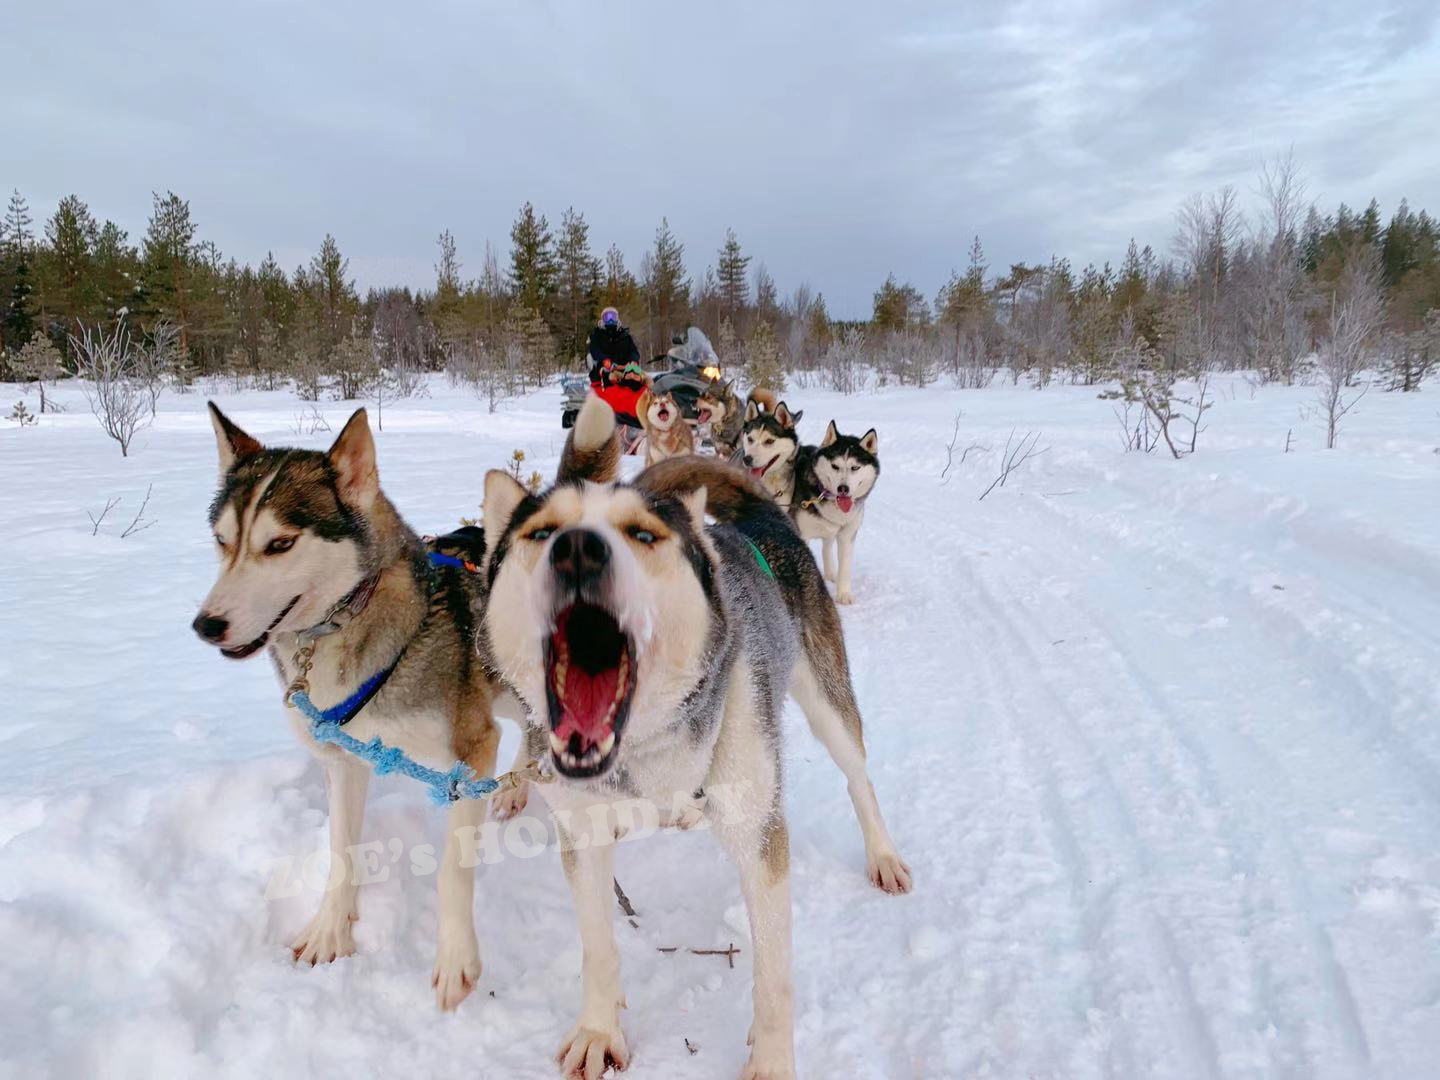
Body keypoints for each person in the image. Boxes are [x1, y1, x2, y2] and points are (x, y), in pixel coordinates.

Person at [587, 307, 640, 384]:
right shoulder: (597, 334)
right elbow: (594, 350)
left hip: (624, 367)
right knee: (606, 377)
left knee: (636, 379)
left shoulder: (624, 335)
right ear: (603, 319)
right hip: (605, 366)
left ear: (617, 318)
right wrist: (604, 359)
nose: (610, 320)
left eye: (613, 317)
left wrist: (633, 360)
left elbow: (633, 350)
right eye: (607, 317)